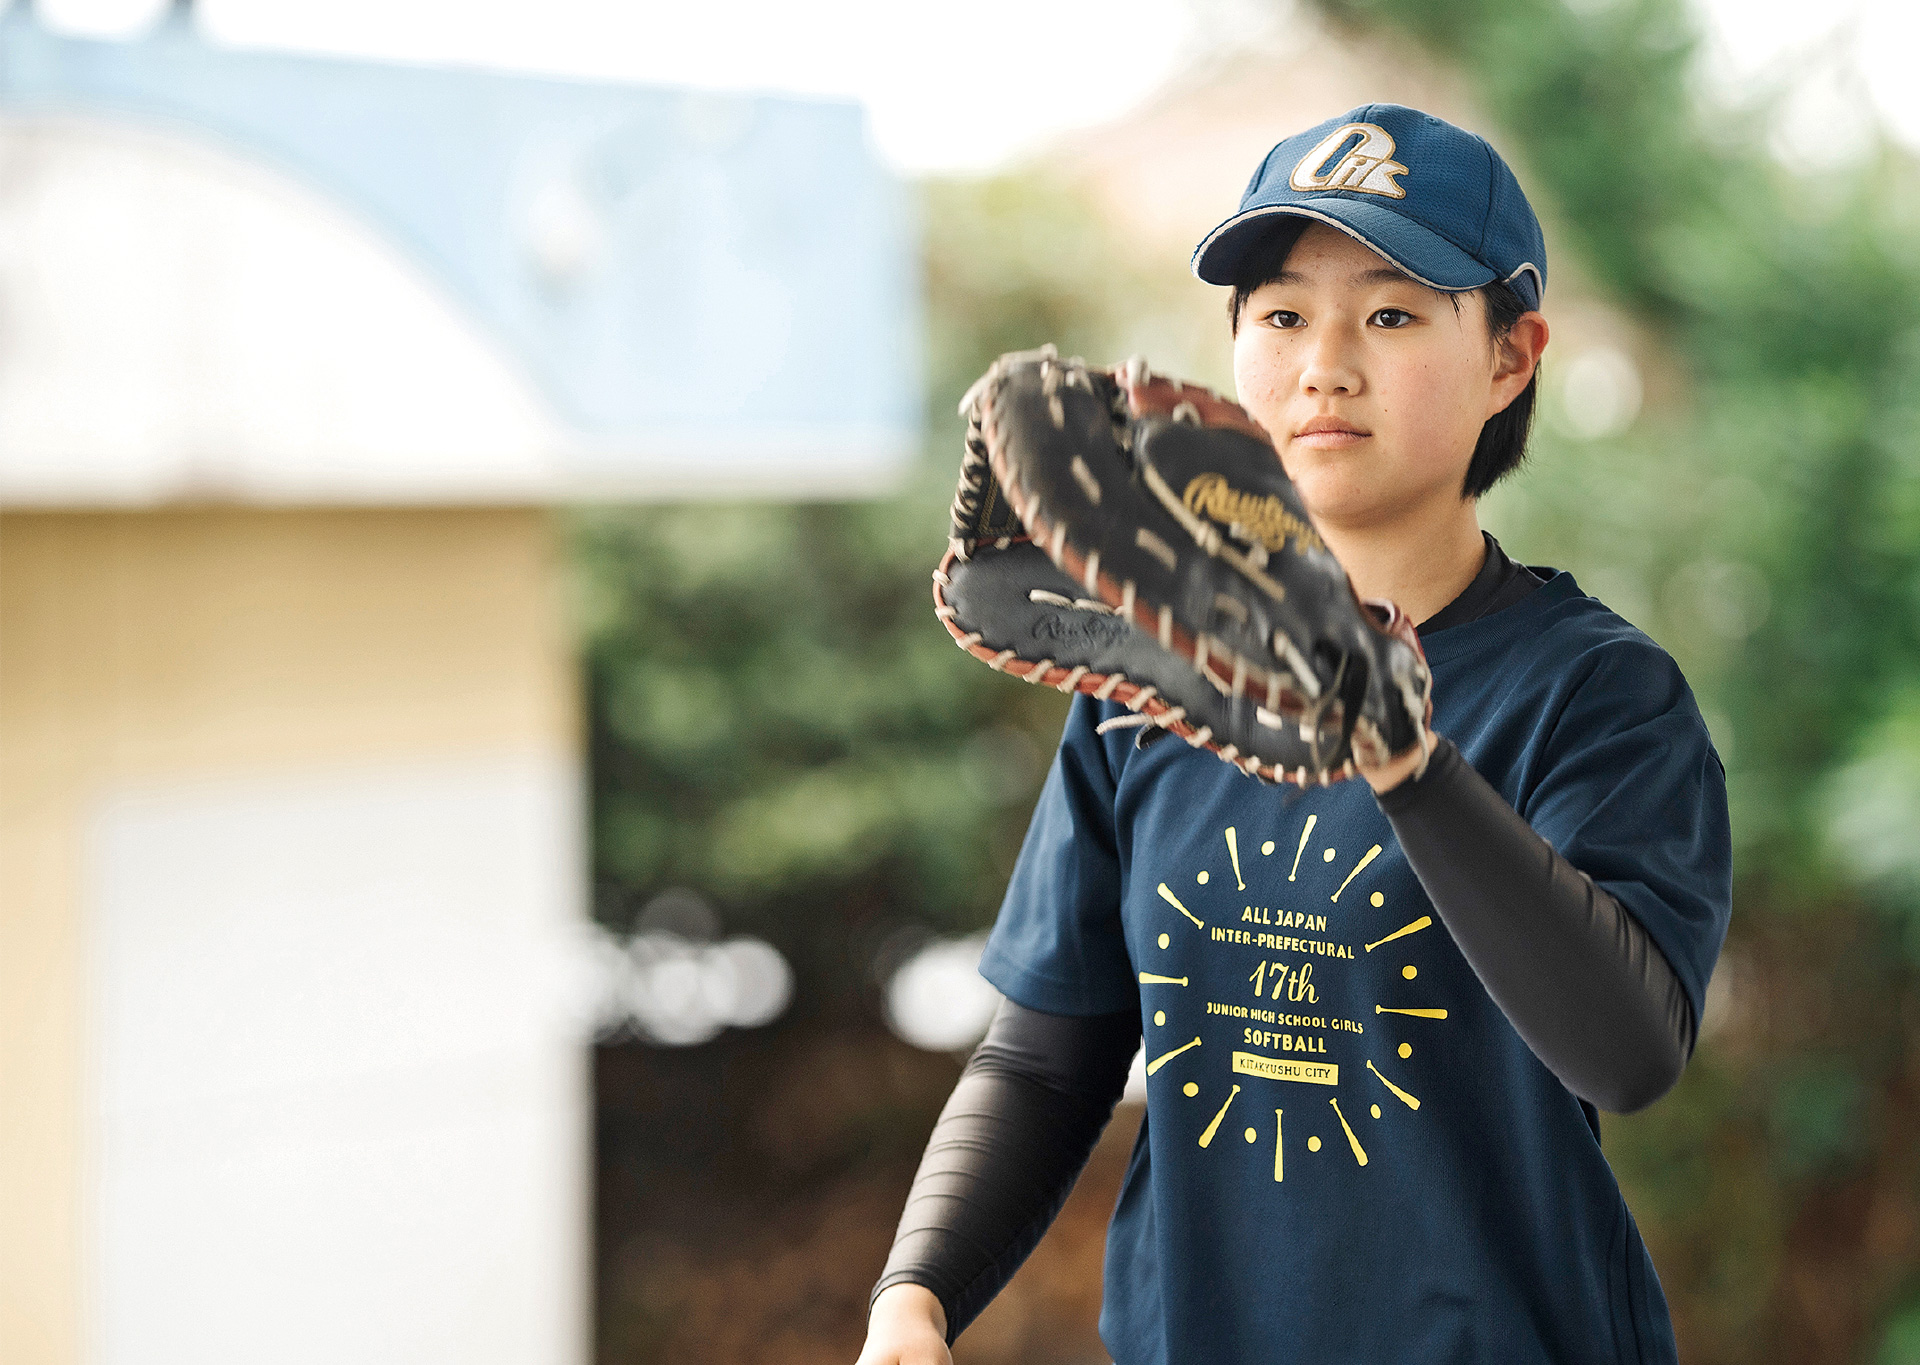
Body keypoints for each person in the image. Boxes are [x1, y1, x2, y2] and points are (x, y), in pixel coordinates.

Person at [857, 103, 1731, 1365]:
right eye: (1279, 314)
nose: (1325, 361)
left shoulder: (1597, 696)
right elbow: (1051, 1054)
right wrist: (916, 1297)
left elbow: (1629, 1052)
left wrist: (1403, 759)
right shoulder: (1147, 678)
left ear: (1511, 355)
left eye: (1390, 312)